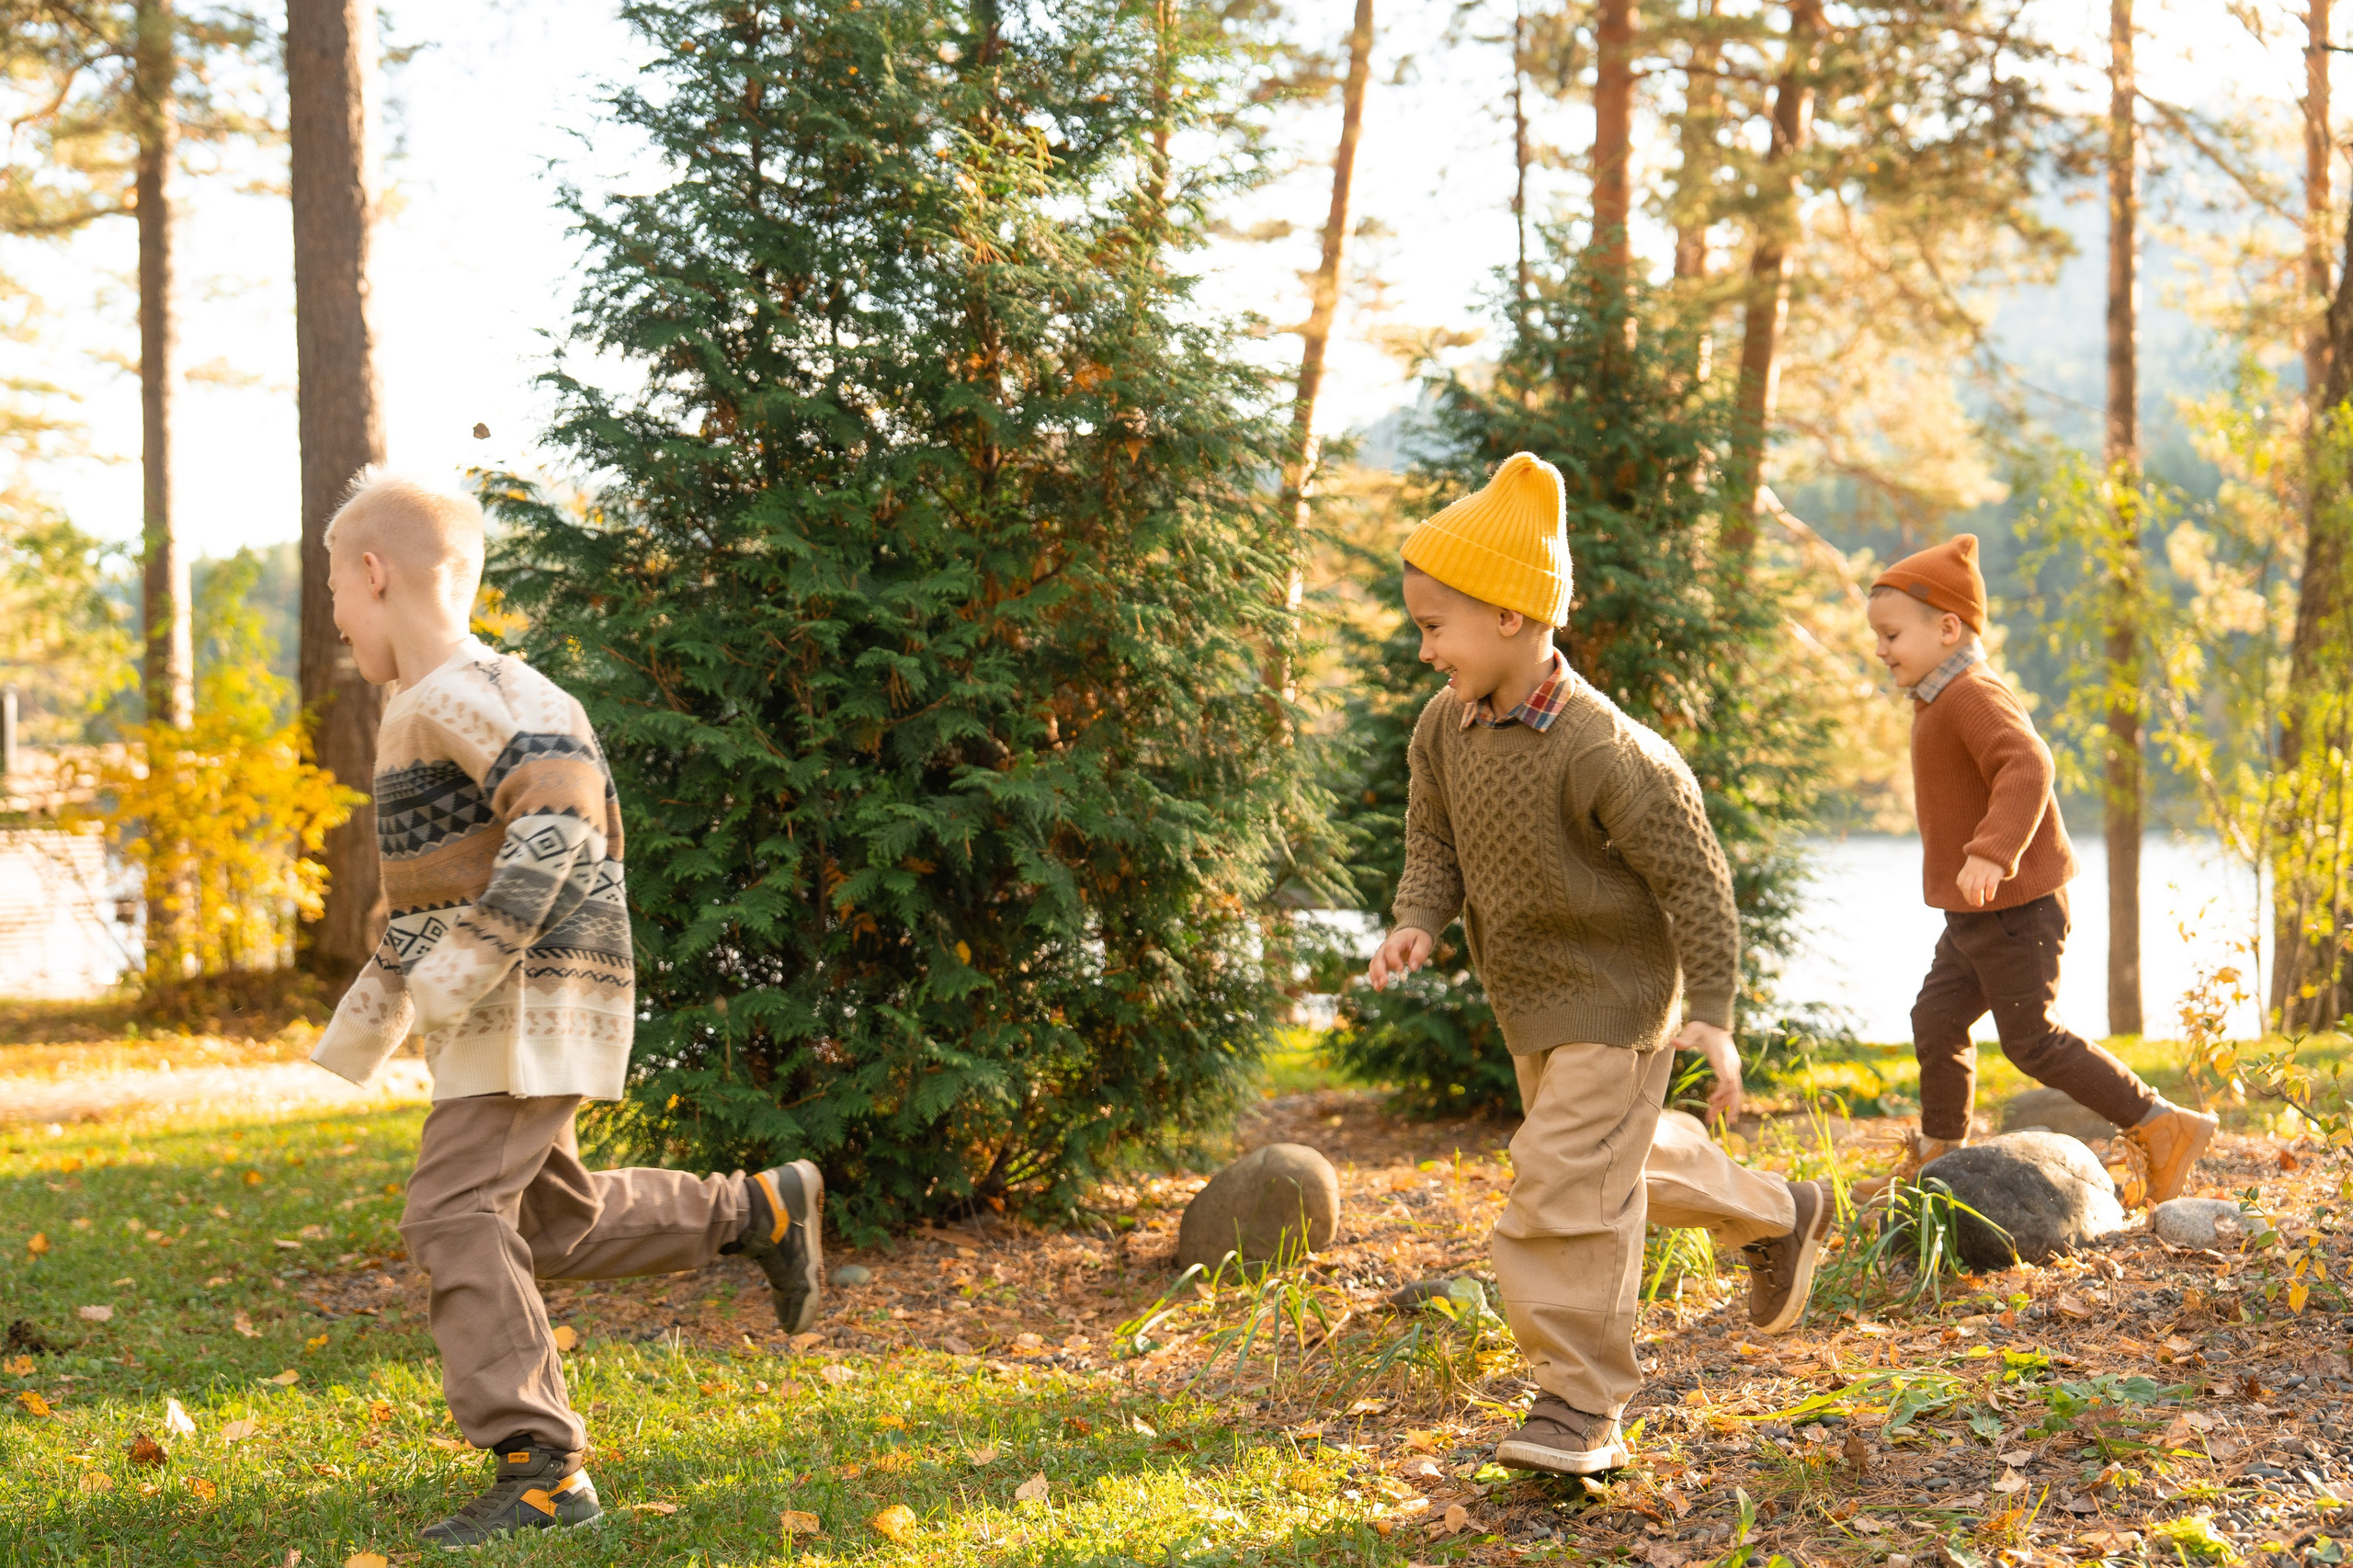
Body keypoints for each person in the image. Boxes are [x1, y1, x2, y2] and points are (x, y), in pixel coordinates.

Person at [306, 472, 824, 1548]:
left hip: (526, 1006)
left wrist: (476, 961)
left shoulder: (463, 689)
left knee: (452, 1214)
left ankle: (542, 1467)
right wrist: (373, 1016)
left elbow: (561, 811)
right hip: (525, 1005)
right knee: (553, 1221)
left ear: (374, 571)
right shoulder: (449, 696)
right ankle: (758, 1210)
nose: (335, 614)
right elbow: (433, 893)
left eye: (334, 588)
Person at [1363, 452, 1831, 1479]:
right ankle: (1781, 1210)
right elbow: (1431, 843)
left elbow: (1696, 880)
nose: (1425, 646)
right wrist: (1417, 920)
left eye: (1435, 625)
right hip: (1530, 999)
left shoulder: (1606, 749)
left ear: (1512, 618)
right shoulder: (1443, 726)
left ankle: (1579, 1402)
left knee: (1558, 1180)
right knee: (1615, 1169)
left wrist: (1710, 1009)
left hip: (1621, 1001)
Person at [1860, 535, 2216, 1206]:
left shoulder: (1969, 692)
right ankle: (1940, 1154)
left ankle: (2161, 1125)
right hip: (1976, 913)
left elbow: (2027, 764)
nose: (1881, 648)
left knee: (2033, 1041)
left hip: (2015, 907)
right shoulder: (1938, 698)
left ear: (1946, 628)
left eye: (1891, 633)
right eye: (1877, 636)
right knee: (1936, 1021)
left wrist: (1993, 849)